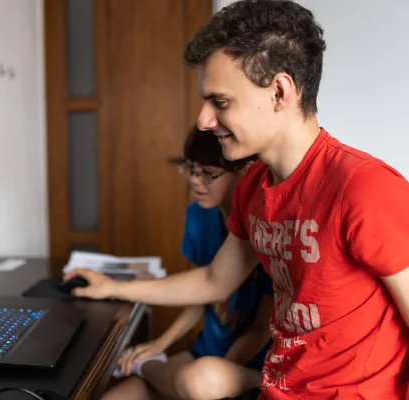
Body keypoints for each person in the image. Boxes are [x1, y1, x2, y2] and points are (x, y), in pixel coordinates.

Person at [65, 0, 409, 398]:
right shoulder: (253, 185)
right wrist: (113, 287)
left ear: (280, 92)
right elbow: (215, 280)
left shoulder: (365, 188)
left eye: (220, 102)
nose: (203, 120)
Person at [102, 127, 273, 400]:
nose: (195, 180)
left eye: (208, 172)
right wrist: (161, 343)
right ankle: (152, 366)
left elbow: (261, 328)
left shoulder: (266, 230)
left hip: (247, 365)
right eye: (190, 168)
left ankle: (148, 368)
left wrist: (219, 376)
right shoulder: (199, 216)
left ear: (244, 173)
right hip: (204, 356)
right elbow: (201, 294)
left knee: (198, 381)